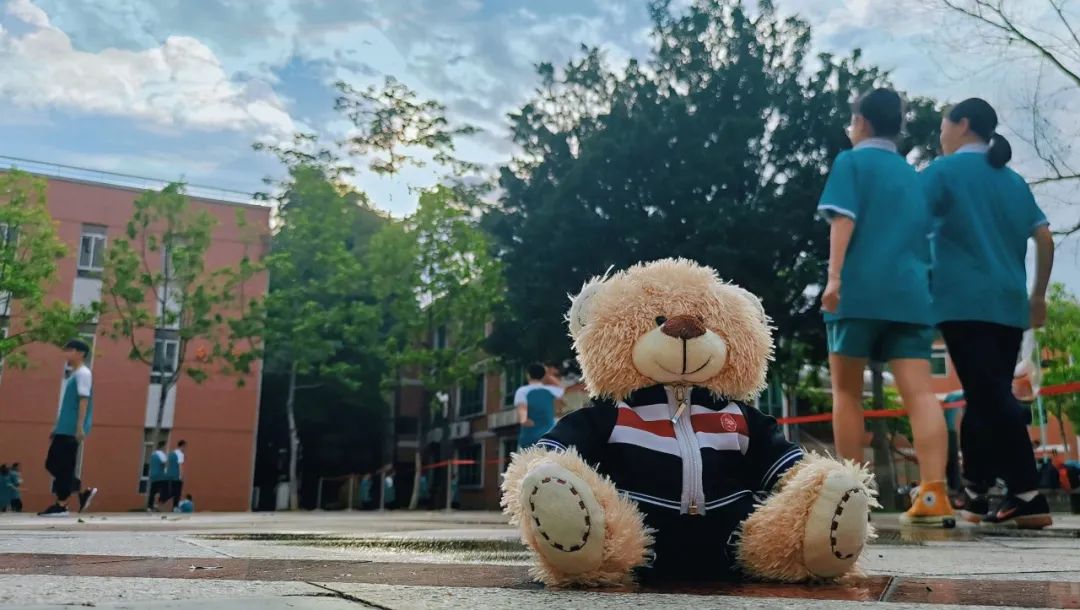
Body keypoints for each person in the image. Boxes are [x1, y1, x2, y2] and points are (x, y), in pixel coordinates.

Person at [819, 88, 954, 527]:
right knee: (921, 394)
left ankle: (853, 498)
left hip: (857, 292)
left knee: (846, 393)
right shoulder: (914, 177)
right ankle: (933, 494)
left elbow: (844, 219)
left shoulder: (851, 162)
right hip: (911, 296)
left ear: (861, 121)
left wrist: (834, 278)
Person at [922, 97, 1056, 528]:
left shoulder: (942, 173)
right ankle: (977, 492)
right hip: (1010, 304)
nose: (941, 135)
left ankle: (1027, 492)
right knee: (984, 394)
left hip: (963, 303)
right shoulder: (1013, 181)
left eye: (943, 126)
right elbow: (1045, 238)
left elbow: (908, 225)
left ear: (962, 124)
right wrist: (1038, 297)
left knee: (991, 396)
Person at [39, 339, 99, 517]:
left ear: (80, 353)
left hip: (72, 428)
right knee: (52, 464)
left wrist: (79, 427)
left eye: (69, 350)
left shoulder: (84, 374)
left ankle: (61, 505)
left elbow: (83, 400)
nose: (65, 353)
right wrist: (57, 426)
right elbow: (67, 405)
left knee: (63, 465)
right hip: (64, 427)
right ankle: (81, 492)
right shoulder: (75, 374)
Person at [514, 363, 566, 450]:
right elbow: (562, 387)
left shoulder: (522, 391)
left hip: (529, 440)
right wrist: (548, 374)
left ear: (528, 375)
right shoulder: (551, 390)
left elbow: (523, 419)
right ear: (544, 376)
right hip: (548, 439)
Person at [146, 441, 169, 512]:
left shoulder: (153, 454)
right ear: (162, 447)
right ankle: (158, 504)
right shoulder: (162, 454)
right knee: (166, 490)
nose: (165, 448)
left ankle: (149, 506)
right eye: (165, 446)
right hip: (160, 475)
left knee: (152, 492)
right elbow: (165, 464)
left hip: (153, 476)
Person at [165, 440, 186, 511]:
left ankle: (162, 500)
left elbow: (167, 464)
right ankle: (175, 507)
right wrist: (181, 476)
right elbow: (180, 465)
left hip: (169, 475)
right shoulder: (180, 454)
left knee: (172, 491)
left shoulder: (171, 453)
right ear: (182, 446)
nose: (185, 449)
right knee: (177, 492)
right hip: (176, 476)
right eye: (184, 447)